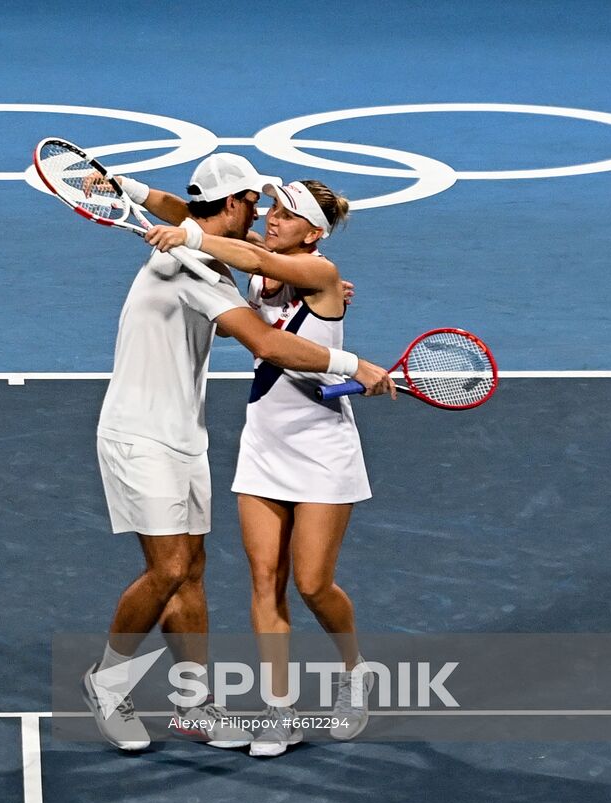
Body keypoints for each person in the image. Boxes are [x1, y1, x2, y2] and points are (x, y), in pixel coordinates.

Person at [81, 156, 393, 752]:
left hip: (189, 436)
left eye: (278, 210)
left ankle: (195, 704)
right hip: (142, 434)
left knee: (197, 571)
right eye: (258, 204)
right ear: (235, 204)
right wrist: (357, 364)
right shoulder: (197, 266)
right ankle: (108, 681)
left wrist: (134, 191)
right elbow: (268, 341)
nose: (264, 216)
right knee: (173, 568)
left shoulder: (222, 255)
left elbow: (206, 225)